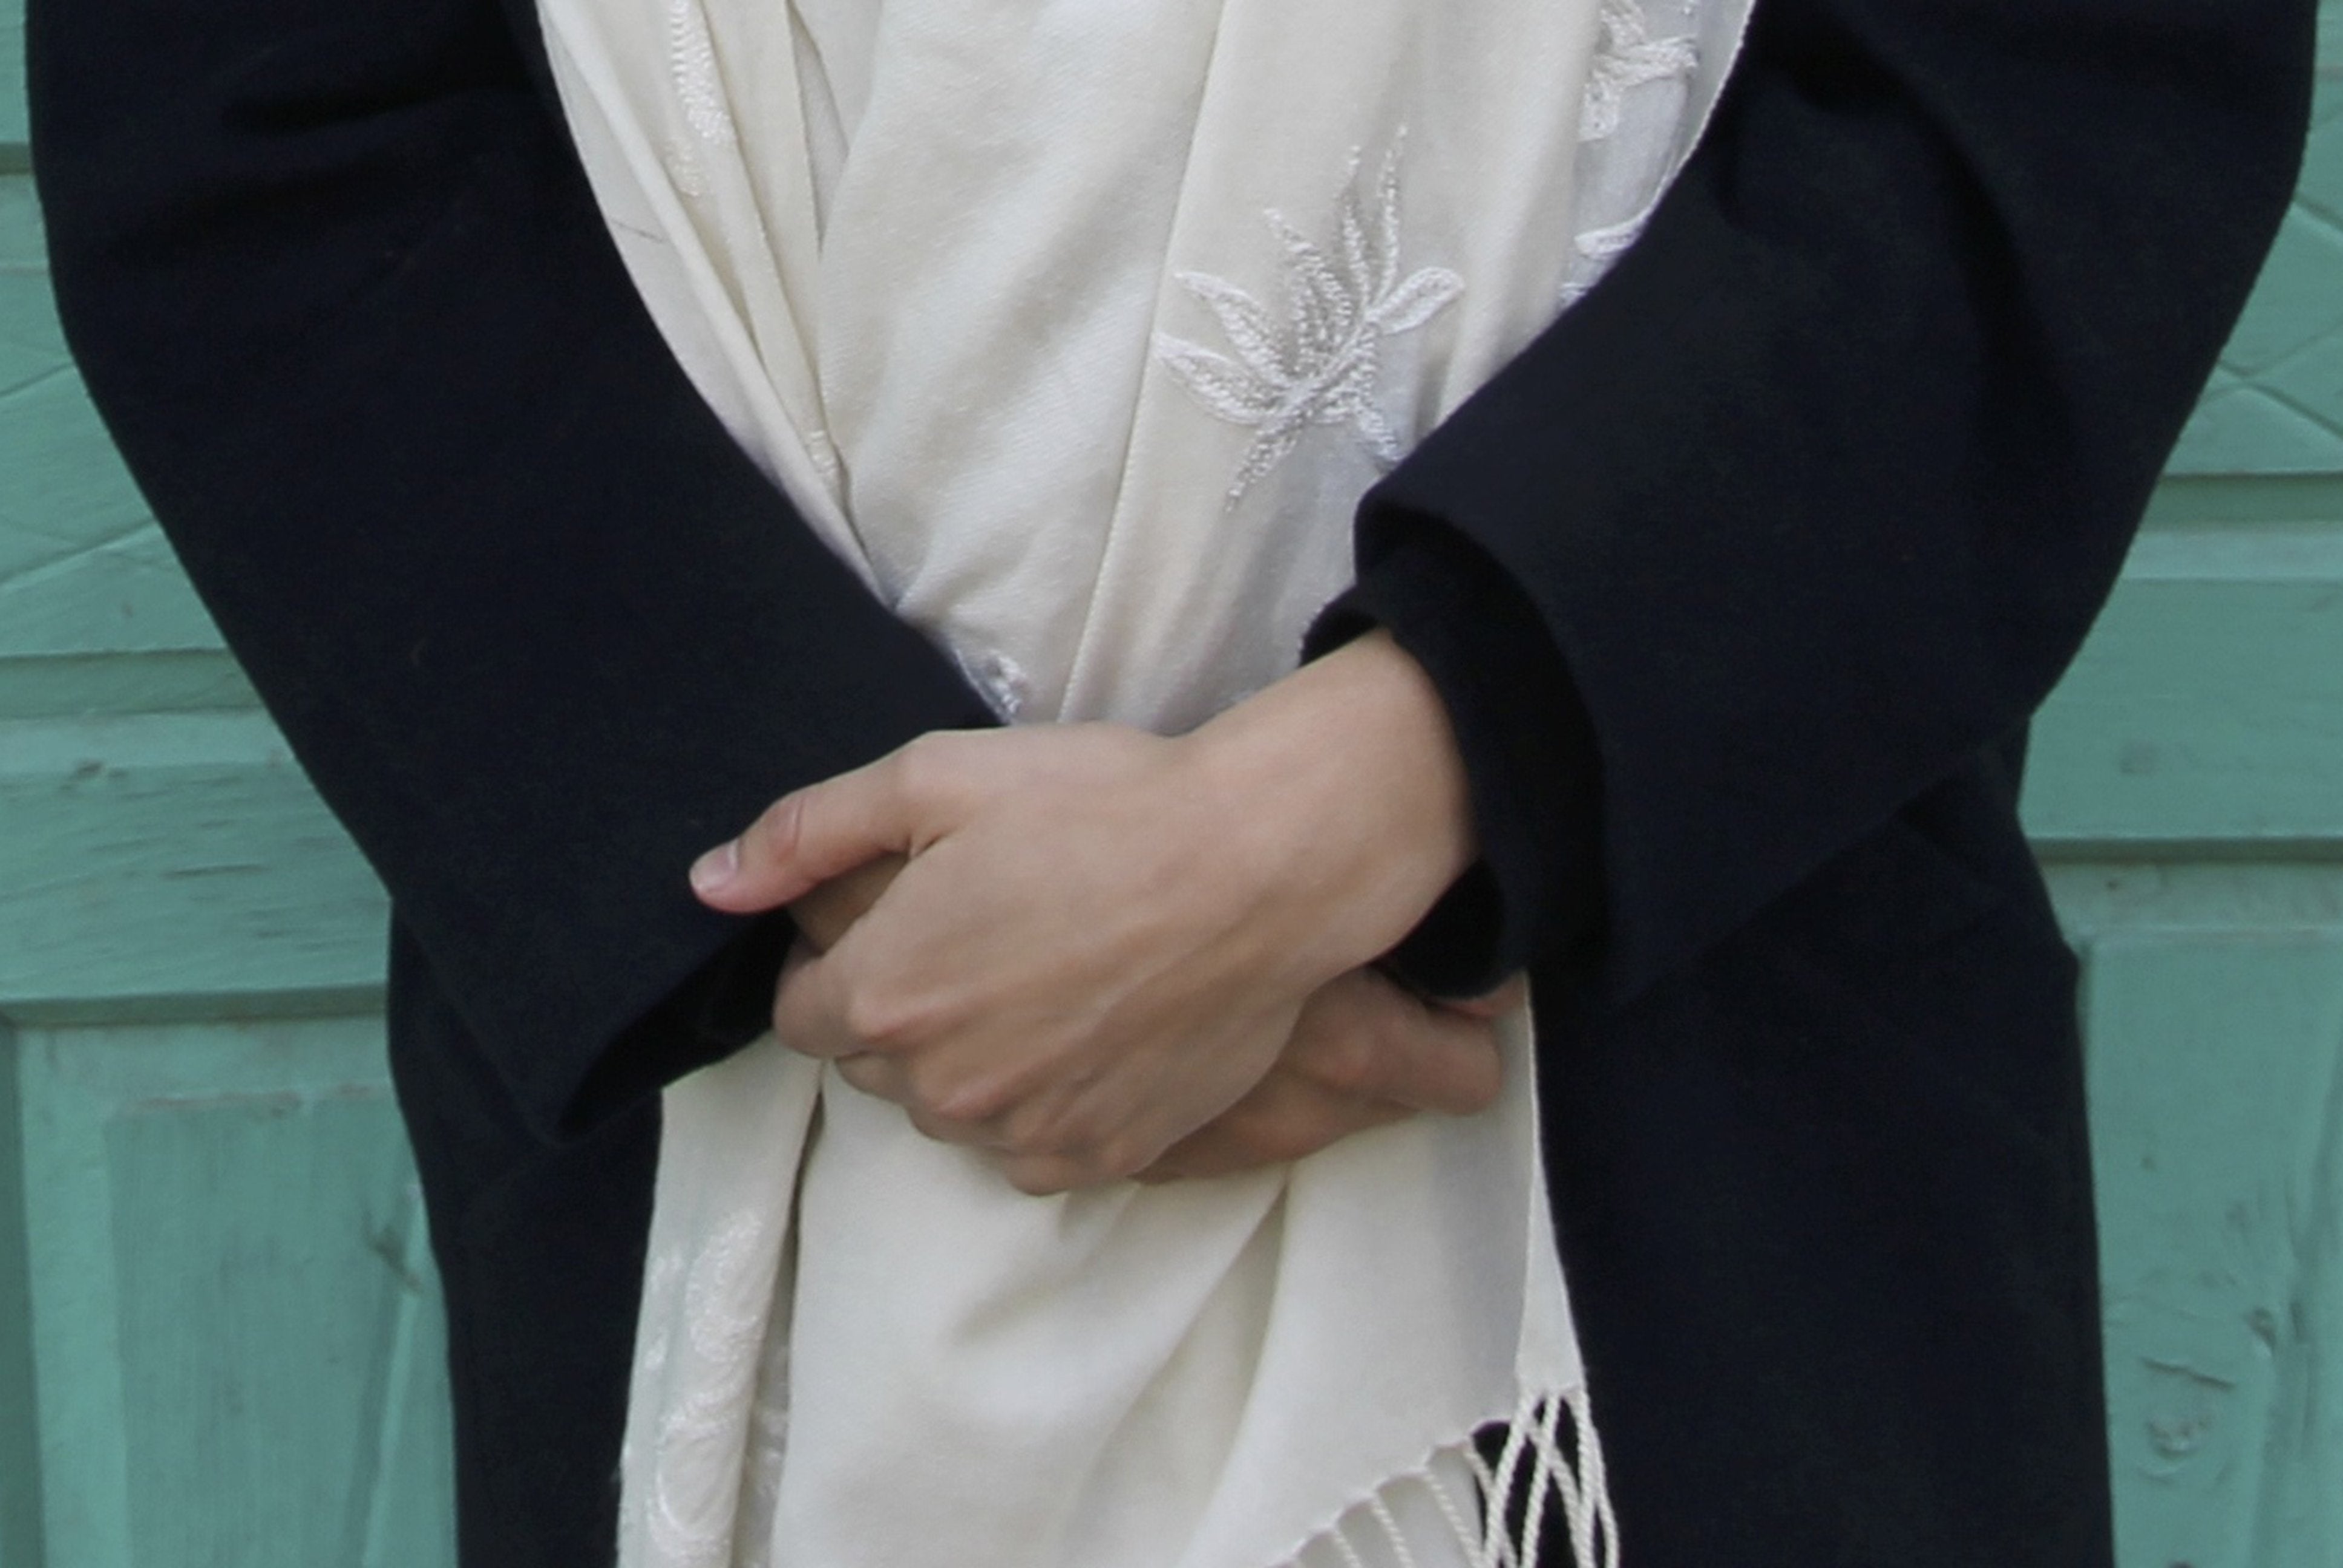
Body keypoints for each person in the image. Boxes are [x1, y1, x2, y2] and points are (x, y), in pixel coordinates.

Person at [25, 0, 2315, 1563]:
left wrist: (1394, 783)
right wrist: (876, 881)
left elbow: (2061, 74)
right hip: (778, 1066)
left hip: (1677, 1061)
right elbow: (265, 126)